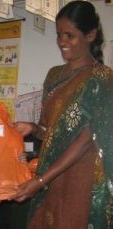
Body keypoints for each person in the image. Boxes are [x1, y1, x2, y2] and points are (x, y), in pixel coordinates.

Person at [11, 1, 113, 228]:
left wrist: (40, 181)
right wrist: (33, 128)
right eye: (59, 35)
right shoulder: (54, 76)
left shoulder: (103, 79)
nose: (62, 42)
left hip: (80, 178)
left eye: (70, 35)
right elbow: (51, 132)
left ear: (90, 35)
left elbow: (86, 140)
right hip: (49, 174)